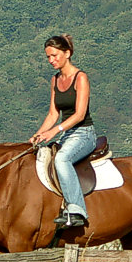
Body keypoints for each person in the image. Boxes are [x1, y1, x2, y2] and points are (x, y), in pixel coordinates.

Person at [29, 34, 96, 228]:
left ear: (67, 53)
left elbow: (80, 114)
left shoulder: (80, 78)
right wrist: (38, 135)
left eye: (55, 55)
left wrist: (54, 132)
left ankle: (77, 210)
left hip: (84, 133)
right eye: (48, 57)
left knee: (61, 159)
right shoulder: (55, 80)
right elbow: (52, 113)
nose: (51, 60)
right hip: (66, 134)